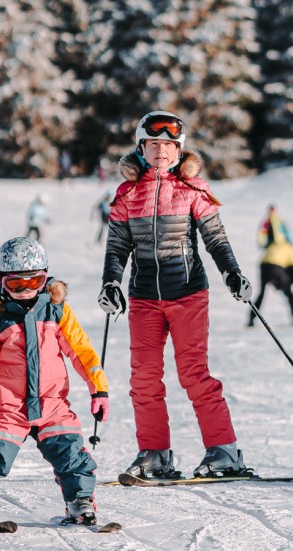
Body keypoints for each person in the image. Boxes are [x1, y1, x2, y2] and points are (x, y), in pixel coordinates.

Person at [98, 110, 253, 480]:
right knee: (144, 380)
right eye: (154, 144)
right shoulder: (127, 194)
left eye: (169, 144)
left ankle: (224, 452)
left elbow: (215, 236)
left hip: (187, 294)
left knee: (194, 374)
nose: (161, 151)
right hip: (143, 299)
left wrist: (232, 272)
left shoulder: (192, 189)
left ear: (179, 150)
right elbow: (117, 246)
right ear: (141, 148)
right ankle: (154, 455)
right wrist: (110, 282)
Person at [0, 237, 110, 527]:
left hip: (52, 403)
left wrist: (99, 389)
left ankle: (80, 502)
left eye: (34, 283)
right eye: (16, 285)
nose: (25, 292)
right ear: (2, 281)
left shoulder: (57, 311)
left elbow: (81, 351)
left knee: (71, 453)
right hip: (11, 406)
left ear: (45, 278)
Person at [249, 205, 293, 326]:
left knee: (261, 293)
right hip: (276, 266)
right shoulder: (288, 247)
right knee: (289, 292)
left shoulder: (271, 244)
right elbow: (292, 268)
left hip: (263, 264)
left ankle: (251, 318)